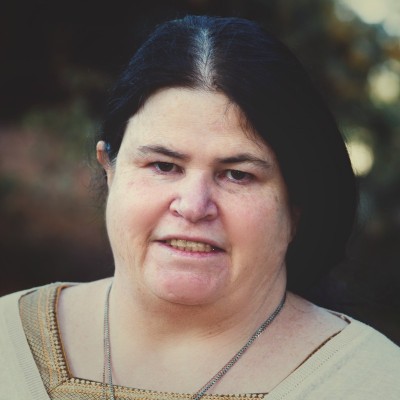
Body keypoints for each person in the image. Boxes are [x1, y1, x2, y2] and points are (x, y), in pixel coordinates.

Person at [0, 15, 399, 400]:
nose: (193, 207)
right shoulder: (8, 343)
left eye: (237, 175)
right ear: (110, 170)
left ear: (297, 204)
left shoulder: (375, 384)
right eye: (163, 166)